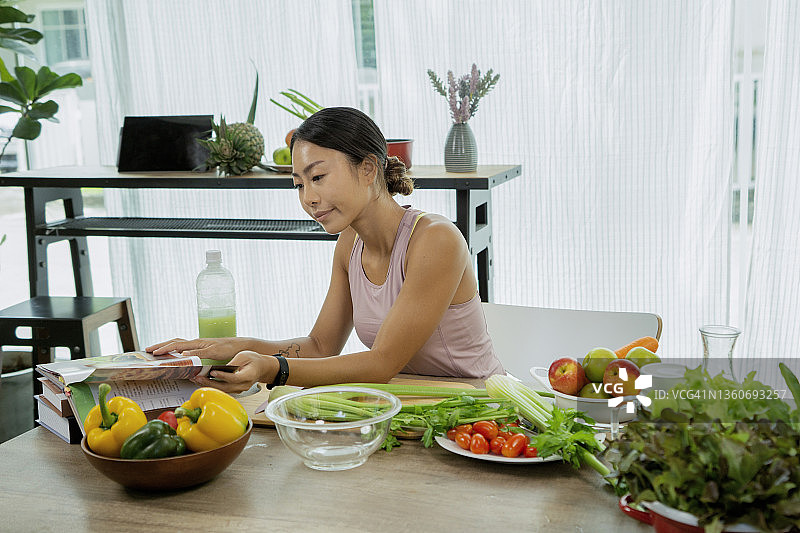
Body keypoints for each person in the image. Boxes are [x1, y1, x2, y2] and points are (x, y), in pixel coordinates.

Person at [148, 107, 504, 393]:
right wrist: (233, 346)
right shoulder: (350, 243)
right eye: (299, 184)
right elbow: (321, 345)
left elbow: (381, 363)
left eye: (318, 178)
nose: (309, 199)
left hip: (482, 411)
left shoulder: (436, 239)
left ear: (367, 168)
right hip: (411, 409)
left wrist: (273, 369)